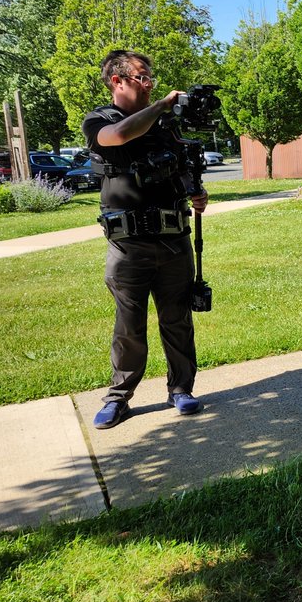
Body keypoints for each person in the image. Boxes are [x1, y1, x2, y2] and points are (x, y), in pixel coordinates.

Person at [82, 50, 209, 429]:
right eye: (142, 77)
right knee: (129, 325)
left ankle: (181, 389)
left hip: (173, 240)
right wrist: (161, 105)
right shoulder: (100, 119)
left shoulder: (165, 126)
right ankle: (119, 398)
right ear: (116, 81)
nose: (149, 82)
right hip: (128, 246)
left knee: (177, 320)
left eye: (150, 76)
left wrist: (194, 191)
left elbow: (181, 165)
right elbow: (119, 136)